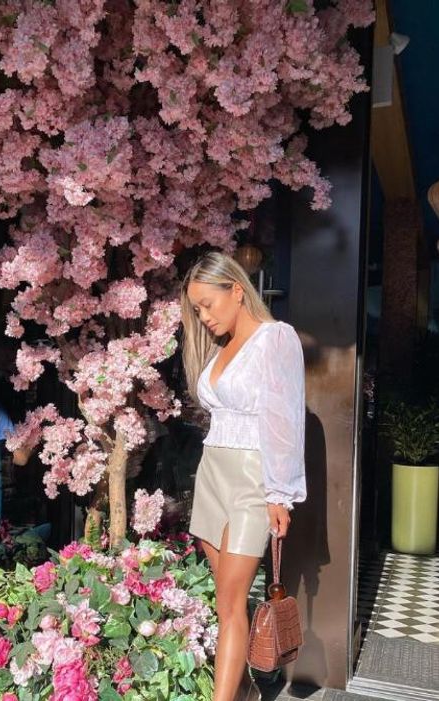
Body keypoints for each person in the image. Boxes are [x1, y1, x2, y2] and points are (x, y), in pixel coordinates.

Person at [182, 251, 307, 701]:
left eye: (207, 304)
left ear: (236, 290)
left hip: (253, 479)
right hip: (212, 476)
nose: (203, 317)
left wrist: (279, 492)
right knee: (227, 603)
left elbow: (284, 418)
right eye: (196, 309)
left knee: (231, 603)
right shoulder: (222, 346)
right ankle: (246, 692)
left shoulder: (276, 338)